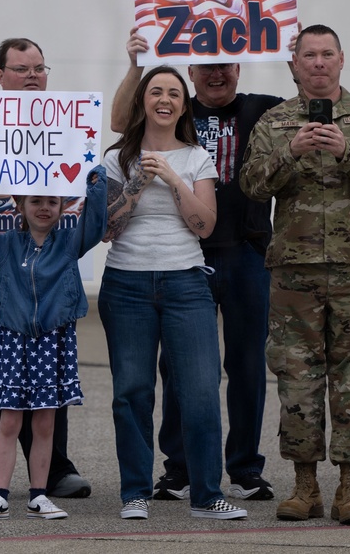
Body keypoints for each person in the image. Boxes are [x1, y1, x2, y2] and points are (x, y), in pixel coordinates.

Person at [109, 27, 288, 503]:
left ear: (238, 70)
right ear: (190, 76)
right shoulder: (172, 115)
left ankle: (245, 467)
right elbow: (119, 119)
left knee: (246, 364)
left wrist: (293, 55)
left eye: (225, 64)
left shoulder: (259, 108)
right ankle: (179, 467)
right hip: (190, 257)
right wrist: (134, 64)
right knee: (179, 369)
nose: (216, 73)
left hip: (246, 253)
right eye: (206, 66)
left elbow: (300, 113)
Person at [240, 24, 350, 525]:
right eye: (308, 55)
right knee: (297, 379)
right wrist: (289, 153)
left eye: (326, 54)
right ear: (294, 64)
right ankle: (305, 486)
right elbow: (250, 185)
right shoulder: (276, 121)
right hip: (295, 269)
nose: (318, 63)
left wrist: (347, 151)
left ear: (341, 59)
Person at [99, 65, 246, 521]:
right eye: (156, 91)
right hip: (126, 283)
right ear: (143, 101)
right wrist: (137, 186)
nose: (165, 99)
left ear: (184, 105)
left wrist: (172, 177)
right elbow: (106, 229)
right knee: (132, 392)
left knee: (200, 390)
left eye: (174, 94)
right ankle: (135, 494)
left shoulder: (198, 157)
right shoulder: (114, 159)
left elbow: (204, 224)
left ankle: (206, 495)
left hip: (185, 281)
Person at [0, 38, 91, 499]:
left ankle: (50, 475)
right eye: (21, 68)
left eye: (39, 68)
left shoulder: (67, 127)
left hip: (51, 273)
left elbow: (85, 190)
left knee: (49, 391)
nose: (32, 76)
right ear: (0, 76)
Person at [0, 163, 107, 521]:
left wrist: (96, 186)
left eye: (52, 200)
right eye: (35, 200)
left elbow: (95, 225)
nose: (44, 207)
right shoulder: (4, 245)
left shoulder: (68, 245)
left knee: (45, 424)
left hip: (52, 344)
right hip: (13, 343)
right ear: (19, 204)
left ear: (64, 206)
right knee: (9, 422)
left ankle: (38, 495)